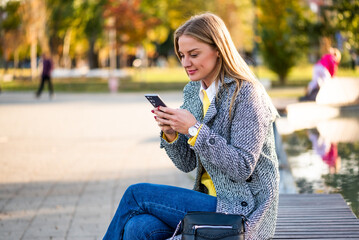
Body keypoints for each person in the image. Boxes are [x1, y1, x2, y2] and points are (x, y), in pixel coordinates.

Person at [103, 13, 279, 240]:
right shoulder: (194, 92)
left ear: (218, 49)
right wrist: (171, 133)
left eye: (194, 54)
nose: (186, 63)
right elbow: (186, 164)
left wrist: (195, 129)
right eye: (182, 55)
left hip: (241, 210)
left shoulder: (246, 94)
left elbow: (242, 167)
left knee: (136, 194)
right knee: (139, 226)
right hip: (209, 204)